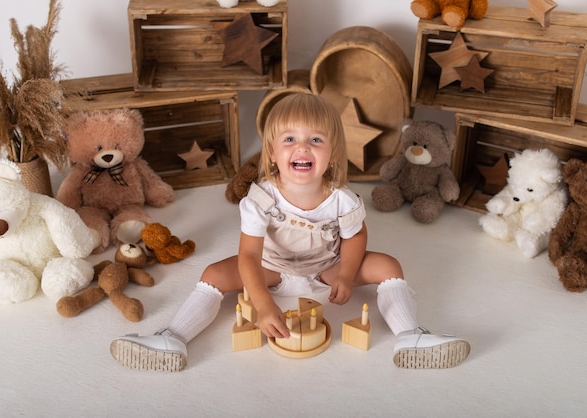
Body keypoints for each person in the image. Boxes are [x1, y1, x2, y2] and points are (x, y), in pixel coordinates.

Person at [110, 93, 470, 372]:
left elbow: (355, 237)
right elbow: (249, 256)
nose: (302, 148)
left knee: (388, 266)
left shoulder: (342, 200)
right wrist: (263, 304)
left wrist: (346, 272)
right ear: (271, 153)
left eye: (315, 140)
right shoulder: (261, 199)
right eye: (290, 140)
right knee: (213, 274)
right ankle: (173, 338)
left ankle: (410, 336)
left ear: (332, 152)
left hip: (326, 268)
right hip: (272, 268)